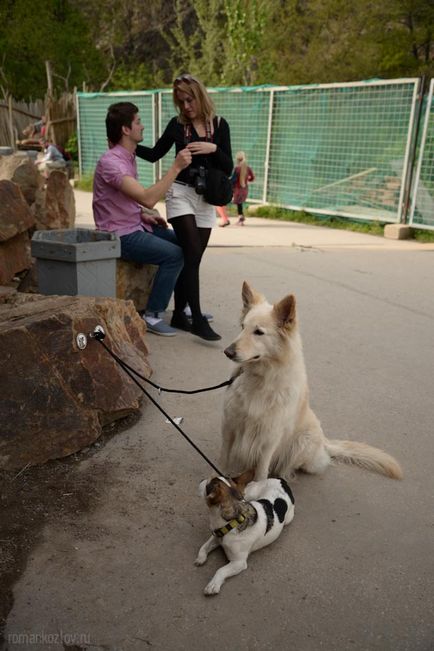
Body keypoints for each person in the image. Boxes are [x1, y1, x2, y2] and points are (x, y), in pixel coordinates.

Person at [135, 73, 233, 341]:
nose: (186, 107)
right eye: (181, 102)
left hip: (206, 199)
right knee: (190, 252)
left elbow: (228, 166)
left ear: (199, 95)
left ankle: (180, 313)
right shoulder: (177, 125)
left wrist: (213, 149)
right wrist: (128, 145)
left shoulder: (220, 125)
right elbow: (155, 153)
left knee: (194, 258)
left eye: (189, 100)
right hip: (179, 193)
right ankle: (197, 318)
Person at [92, 101, 192, 336]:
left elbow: (129, 202)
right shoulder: (111, 163)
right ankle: (153, 314)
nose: (143, 126)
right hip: (120, 236)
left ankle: (184, 307)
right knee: (174, 255)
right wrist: (175, 168)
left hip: (135, 225)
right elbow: (148, 198)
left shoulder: (128, 157)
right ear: (126, 130)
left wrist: (143, 215)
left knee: (188, 244)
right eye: (138, 121)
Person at [232, 151, 255, 225]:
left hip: (237, 189)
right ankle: (241, 217)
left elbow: (233, 179)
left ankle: (240, 218)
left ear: (237, 160)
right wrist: (247, 179)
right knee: (240, 204)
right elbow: (252, 178)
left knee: (238, 204)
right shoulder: (248, 168)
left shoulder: (236, 168)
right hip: (244, 189)